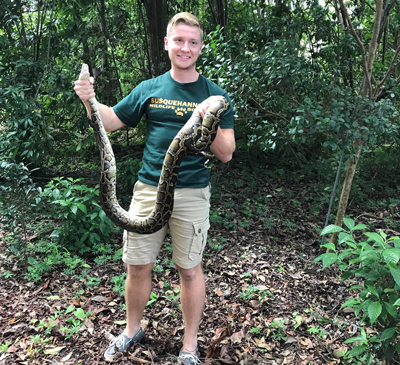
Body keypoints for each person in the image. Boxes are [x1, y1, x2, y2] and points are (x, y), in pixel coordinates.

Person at [74, 12, 235, 365]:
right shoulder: (150, 88)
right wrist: (88, 99)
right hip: (147, 190)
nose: (185, 47)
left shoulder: (216, 96)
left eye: (193, 42)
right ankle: (132, 329)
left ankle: (189, 346)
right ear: (167, 43)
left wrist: (207, 118)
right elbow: (112, 121)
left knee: (190, 269)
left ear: (201, 47)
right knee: (137, 265)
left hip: (192, 192)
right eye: (179, 40)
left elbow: (225, 154)